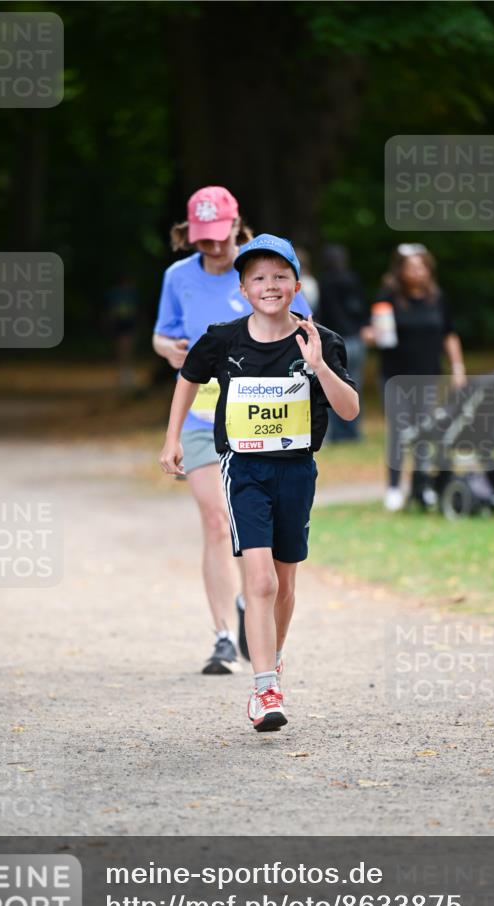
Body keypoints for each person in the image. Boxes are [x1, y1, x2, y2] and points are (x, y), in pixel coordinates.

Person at [159, 235, 359, 732]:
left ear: (296, 284)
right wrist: (172, 439)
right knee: (262, 580)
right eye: (258, 279)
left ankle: (274, 654)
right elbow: (188, 375)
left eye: (279, 277)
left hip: (297, 470)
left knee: (286, 582)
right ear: (243, 289)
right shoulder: (223, 339)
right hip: (244, 469)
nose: (269, 286)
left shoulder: (320, 340)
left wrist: (317, 368)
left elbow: (350, 408)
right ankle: (264, 689)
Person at [153, 187, 309, 676]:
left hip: (260, 419)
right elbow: (161, 333)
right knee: (216, 519)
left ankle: (253, 598)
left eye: (219, 238)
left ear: (236, 226)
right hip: (202, 414)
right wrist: (169, 350)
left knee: (250, 525)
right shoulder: (177, 277)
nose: (212, 249)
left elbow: (297, 324)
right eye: (202, 241)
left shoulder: (260, 271)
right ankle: (223, 635)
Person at [362, 243, 467, 511]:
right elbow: (371, 330)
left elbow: (449, 333)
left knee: (425, 430)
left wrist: (457, 366)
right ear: (401, 271)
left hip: (429, 376)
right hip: (395, 376)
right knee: (399, 431)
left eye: (422, 266)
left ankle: (421, 486)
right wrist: (371, 336)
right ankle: (395, 487)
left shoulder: (437, 298)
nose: (418, 272)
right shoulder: (388, 296)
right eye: (412, 267)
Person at [318, 243, 368, 442]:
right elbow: (360, 308)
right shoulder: (352, 279)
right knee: (354, 385)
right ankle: (352, 432)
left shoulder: (324, 282)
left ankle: (335, 434)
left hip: (333, 340)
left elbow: (324, 313)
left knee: (331, 385)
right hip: (355, 338)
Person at [104, 273, 139, 392]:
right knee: (122, 349)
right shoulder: (117, 294)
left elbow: (136, 310)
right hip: (120, 324)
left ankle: (125, 372)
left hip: (128, 324)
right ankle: (124, 372)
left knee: (126, 348)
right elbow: (111, 310)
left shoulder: (131, 294)